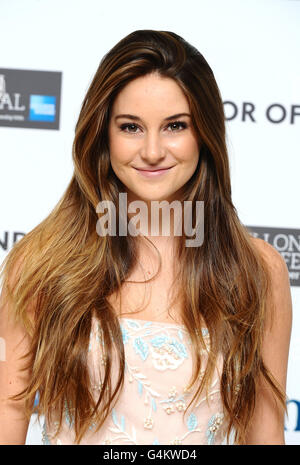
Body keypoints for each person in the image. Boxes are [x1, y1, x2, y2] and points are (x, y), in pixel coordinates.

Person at [0, 29, 292, 446]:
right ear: (103, 132)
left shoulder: (258, 271)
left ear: (204, 132)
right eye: (131, 127)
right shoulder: (42, 263)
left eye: (175, 126)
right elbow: (7, 412)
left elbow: (265, 436)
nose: (153, 151)